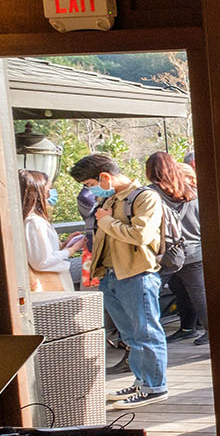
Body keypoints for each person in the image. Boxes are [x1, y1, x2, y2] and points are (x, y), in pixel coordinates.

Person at [70, 154, 169, 406]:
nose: (88, 189)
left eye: (89, 182)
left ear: (105, 177)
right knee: (131, 335)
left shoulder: (145, 197)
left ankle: (154, 386)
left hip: (137, 273)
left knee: (145, 332)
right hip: (112, 273)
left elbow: (141, 235)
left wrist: (106, 221)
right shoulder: (110, 197)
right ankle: (141, 381)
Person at [147, 151, 208, 345]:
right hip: (195, 251)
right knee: (199, 295)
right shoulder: (192, 191)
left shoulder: (150, 194)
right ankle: (208, 330)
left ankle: (172, 331)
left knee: (151, 294)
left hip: (165, 254)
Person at [19, 169, 84, 292]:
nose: (50, 195)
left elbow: (39, 253)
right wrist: (71, 250)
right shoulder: (34, 222)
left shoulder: (31, 220)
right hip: (48, 287)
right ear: (37, 193)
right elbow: (42, 261)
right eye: (48, 190)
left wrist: (62, 246)